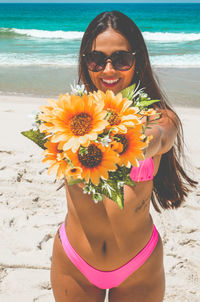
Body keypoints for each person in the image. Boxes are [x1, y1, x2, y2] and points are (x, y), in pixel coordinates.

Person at [50, 11, 197, 302]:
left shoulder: (159, 117)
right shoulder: (66, 119)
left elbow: (161, 137)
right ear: (85, 61)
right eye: (96, 59)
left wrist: (136, 142)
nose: (108, 70)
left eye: (120, 60)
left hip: (139, 264)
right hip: (75, 261)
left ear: (137, 61)